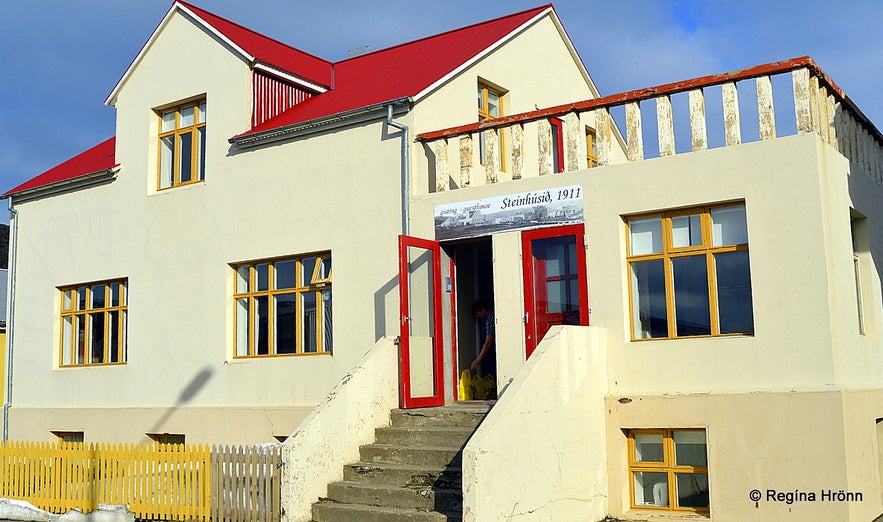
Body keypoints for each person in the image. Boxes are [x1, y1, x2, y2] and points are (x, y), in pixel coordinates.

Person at [470, 299, 496, 375]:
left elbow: (488, 342)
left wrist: (478, 360)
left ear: (483, 310)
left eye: (478, 314)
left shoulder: (490, 319)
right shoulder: (492, 314)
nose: (478, 316)